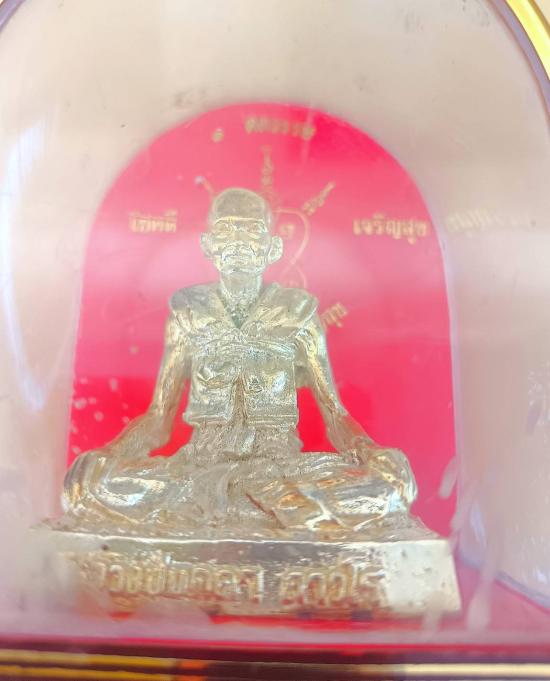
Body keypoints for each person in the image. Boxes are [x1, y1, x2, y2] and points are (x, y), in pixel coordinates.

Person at [62, 188, 417, 536]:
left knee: (389, 486)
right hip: (199, 469)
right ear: (208, 245)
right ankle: (262, 509)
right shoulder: (188, 314)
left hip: (281, 469)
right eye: (226, 231)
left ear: (272, 248)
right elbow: (158, 419)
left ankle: (237, 509)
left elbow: (334, 415)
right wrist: (110, 454)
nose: (238, 243)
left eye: (251, 231)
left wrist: (370, 452)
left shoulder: (298, 314)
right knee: (90, 484)